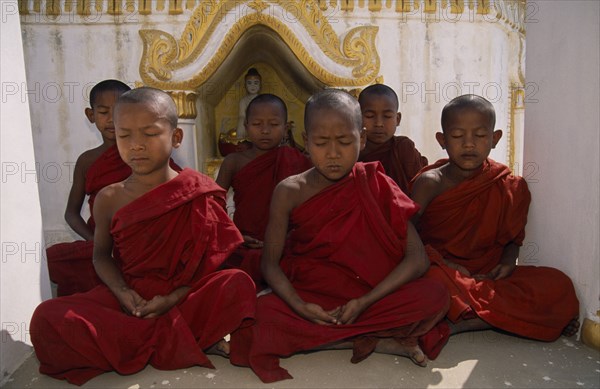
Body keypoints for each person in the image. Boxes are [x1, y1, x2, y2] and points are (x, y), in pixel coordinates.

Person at [30, 87, 256, 385]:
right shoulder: (110, 197)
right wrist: (123, 293)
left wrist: (173, 297)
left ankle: (148, 339)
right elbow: (100, 255)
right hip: (130, 295)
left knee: (238, 284)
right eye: (125, 136)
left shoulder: (198, 190)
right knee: (47, 317)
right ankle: (183, 338)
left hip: (183, 294)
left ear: (176, 138)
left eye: (149, 134)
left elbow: (209, 263)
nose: (136, 145)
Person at [229, 89, 450, 383]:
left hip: (371, 292)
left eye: (344, 142)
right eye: (321, 143)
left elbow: (417, 260)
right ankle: (372, 337)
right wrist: (299, 305)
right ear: (306, 142)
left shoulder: (376, 183)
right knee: (258, 316)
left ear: (361, 138)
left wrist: (365, 302)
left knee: (435, 296)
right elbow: (270, 264)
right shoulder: (289, 191)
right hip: (314, 292)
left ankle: (342, 335)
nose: (333, 153)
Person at [410, 94, 580, 340]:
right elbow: (404, 234)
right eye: (458, 136)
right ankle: (490, 318)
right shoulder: (430, 183)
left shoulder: (508, 184)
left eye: (479, 135)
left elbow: (513, 238)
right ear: (442, 140)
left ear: (495, 138)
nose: (469, 144)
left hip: (487, 277)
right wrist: (444, 264)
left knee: (558, 283)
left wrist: (509, 262)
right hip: (444, 270)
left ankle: (468, 319)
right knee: (431, 282)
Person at [46, 79, 131, 296]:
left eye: (120, 111)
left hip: (137, 241)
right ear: (90, 115)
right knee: (51, 258)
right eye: (103, 112)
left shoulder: (143, 151)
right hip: (101, 241)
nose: (112, 119)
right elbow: (71, 213)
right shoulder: (87, 160)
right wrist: (96, 243)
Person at [216, 94, 311, 287]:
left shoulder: (298, 161)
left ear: (285, 129)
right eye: (257, 124)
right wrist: (234, 234)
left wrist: (286, 238)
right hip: (243, 244)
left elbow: (309, 208)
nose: (265, 131)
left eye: (274, 124)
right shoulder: (234, 161)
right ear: (246, 127)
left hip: (286, 245)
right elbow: (214, 203)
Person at [358, 84, 428, 194]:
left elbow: (421, 188)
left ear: (398, 119)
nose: (379, 124)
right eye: (370, 116)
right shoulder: (352, 151)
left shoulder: (403, 148)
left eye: (387, 116)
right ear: (357, 118)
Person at [236, 68, 262, 139]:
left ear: (260, 85)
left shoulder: (263, 99)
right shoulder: (243, 101)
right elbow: (242, 116)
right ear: (245, 85)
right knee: (241, 122)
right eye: (249, 83)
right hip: (248, 123)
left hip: (261, 123)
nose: (252, 86)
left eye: (256, 83)